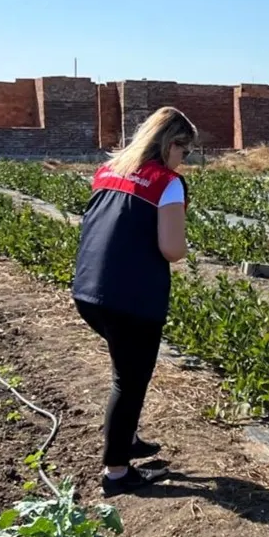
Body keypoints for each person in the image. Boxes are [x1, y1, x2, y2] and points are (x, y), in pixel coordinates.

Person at [72, 106, 197, 497]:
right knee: (129, 381)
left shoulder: (109, 170)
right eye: (184, 151)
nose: (184, 159)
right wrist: (185, 246)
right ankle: (117, 473)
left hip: (89, 290)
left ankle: (126, 439)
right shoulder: (167, 182)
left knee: (124, 369)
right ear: (170, 143)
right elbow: (172, 249)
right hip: (132, 298)